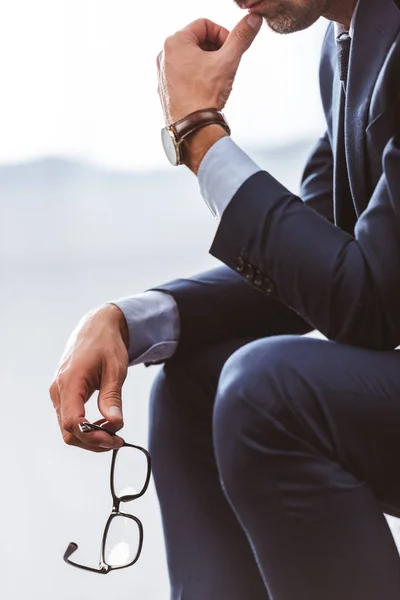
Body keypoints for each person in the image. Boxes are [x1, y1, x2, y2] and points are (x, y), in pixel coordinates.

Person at [50, 0, 400, 597]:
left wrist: (199, 135)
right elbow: (322, 254)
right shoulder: (346, 43)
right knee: (194, 384)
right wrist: (127, 321)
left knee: (266, 390)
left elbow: (367, 301)